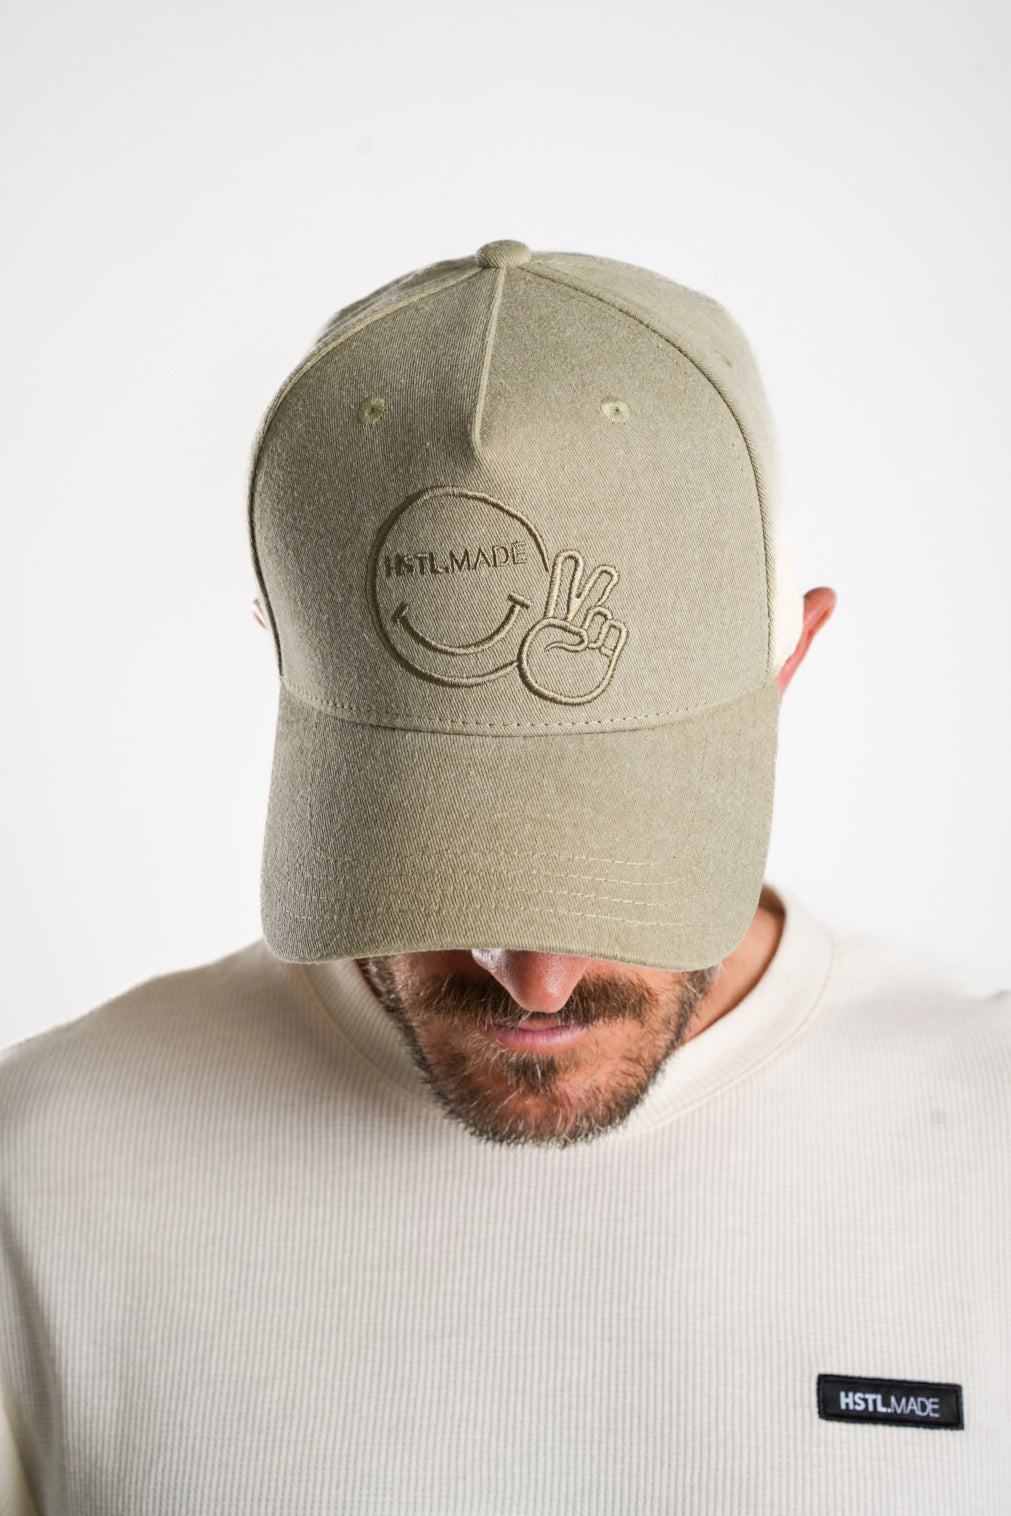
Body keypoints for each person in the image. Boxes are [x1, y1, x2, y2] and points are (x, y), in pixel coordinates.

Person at [1, 240, 1007, 1514]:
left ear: (787, 664)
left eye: (617, 857)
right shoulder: (41, 1175)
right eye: (443, 856)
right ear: (287, 664)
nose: (536, 974)